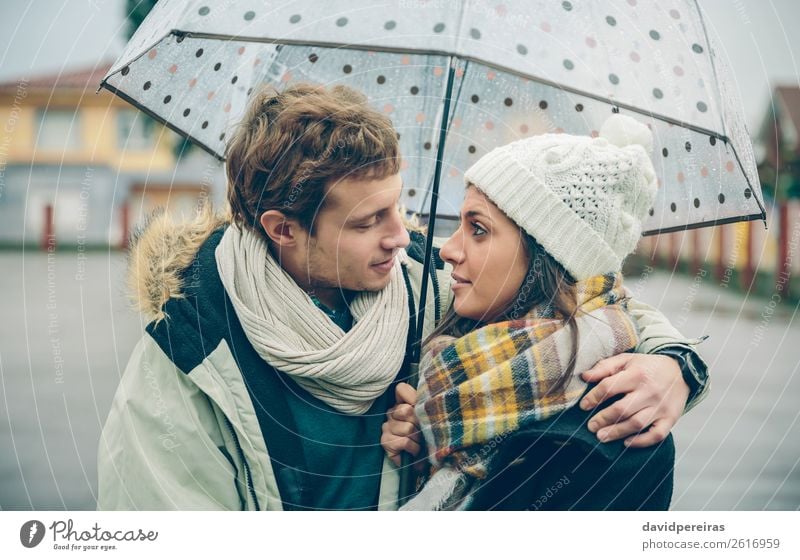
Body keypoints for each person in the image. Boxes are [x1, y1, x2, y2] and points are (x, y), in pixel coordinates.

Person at [97, 83, 707, 510]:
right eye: (368, 221)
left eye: (400, 204)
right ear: (284, 229)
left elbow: (572, 299)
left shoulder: (417, 279)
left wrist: (673, 364)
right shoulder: (191, 354)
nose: (408, 237)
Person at [393, 114, 707, 510]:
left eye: (478, 229)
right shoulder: (451, 375)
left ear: (549, 256)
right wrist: (412, 458)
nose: (447, 250)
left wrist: (681, 365)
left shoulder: (617, 435)